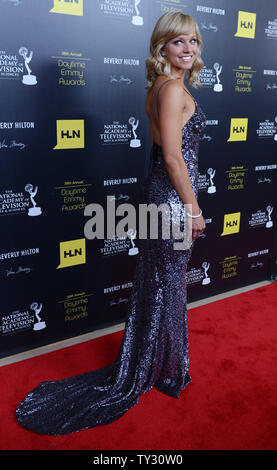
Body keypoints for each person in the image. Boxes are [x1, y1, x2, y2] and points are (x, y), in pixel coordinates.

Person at [16, 11, 206, 436]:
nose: (189, 49)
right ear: (162, 48)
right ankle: (157, 369)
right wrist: (193, 208)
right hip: (174, 200)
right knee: (167, 285)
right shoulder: (173, 89)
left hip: (156, 194)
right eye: (179, 42)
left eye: (193, 40)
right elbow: (174, 157)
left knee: (159, 284)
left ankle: (153, 364)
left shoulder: (156, 87)